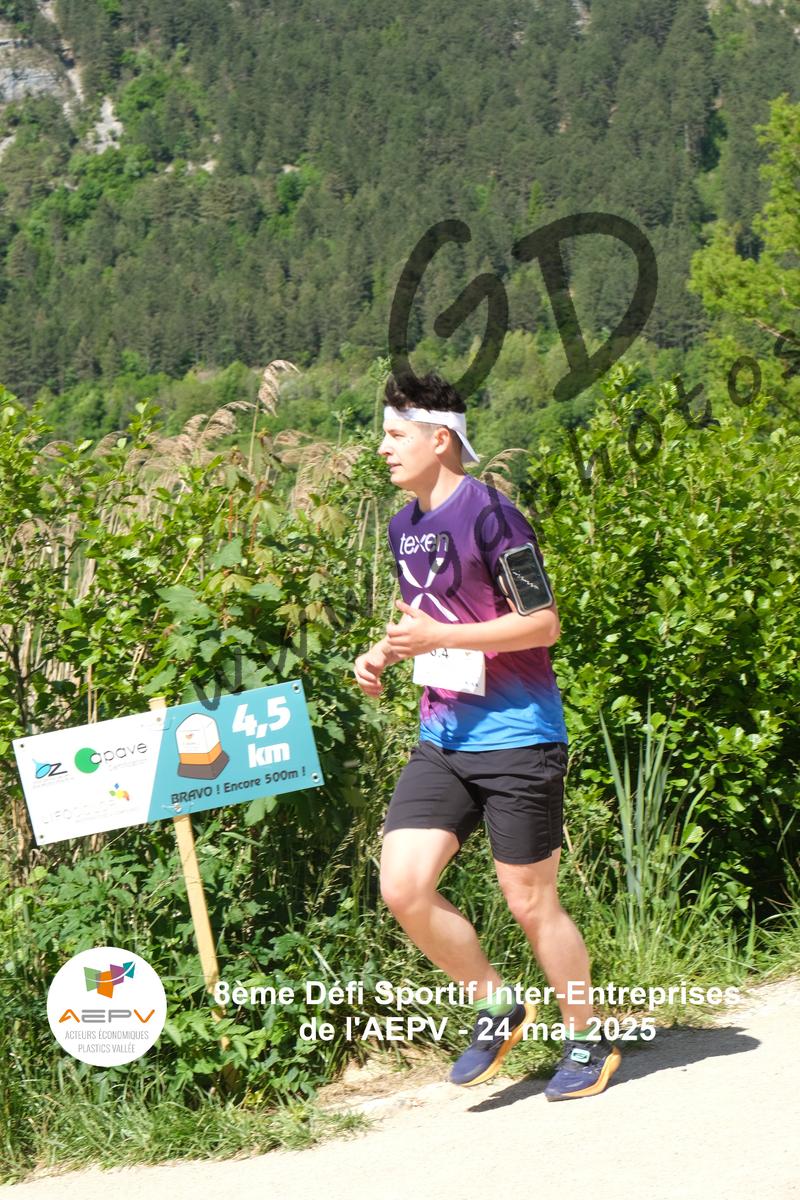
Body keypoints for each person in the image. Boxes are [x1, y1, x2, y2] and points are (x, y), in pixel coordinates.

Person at [353, 370, 621, 1100]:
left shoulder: (494, 517)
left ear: (441, 440)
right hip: (442, 739)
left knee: (531, 902)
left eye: (395, 435)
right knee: (403, 887)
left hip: (518, 737)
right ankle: (498, 1005)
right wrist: (384, 652)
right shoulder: (403, 527)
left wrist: (441, 636)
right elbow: (428, 617)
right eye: (383, 435)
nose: (383, 448)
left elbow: (543, 623)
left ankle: (587, 1038)